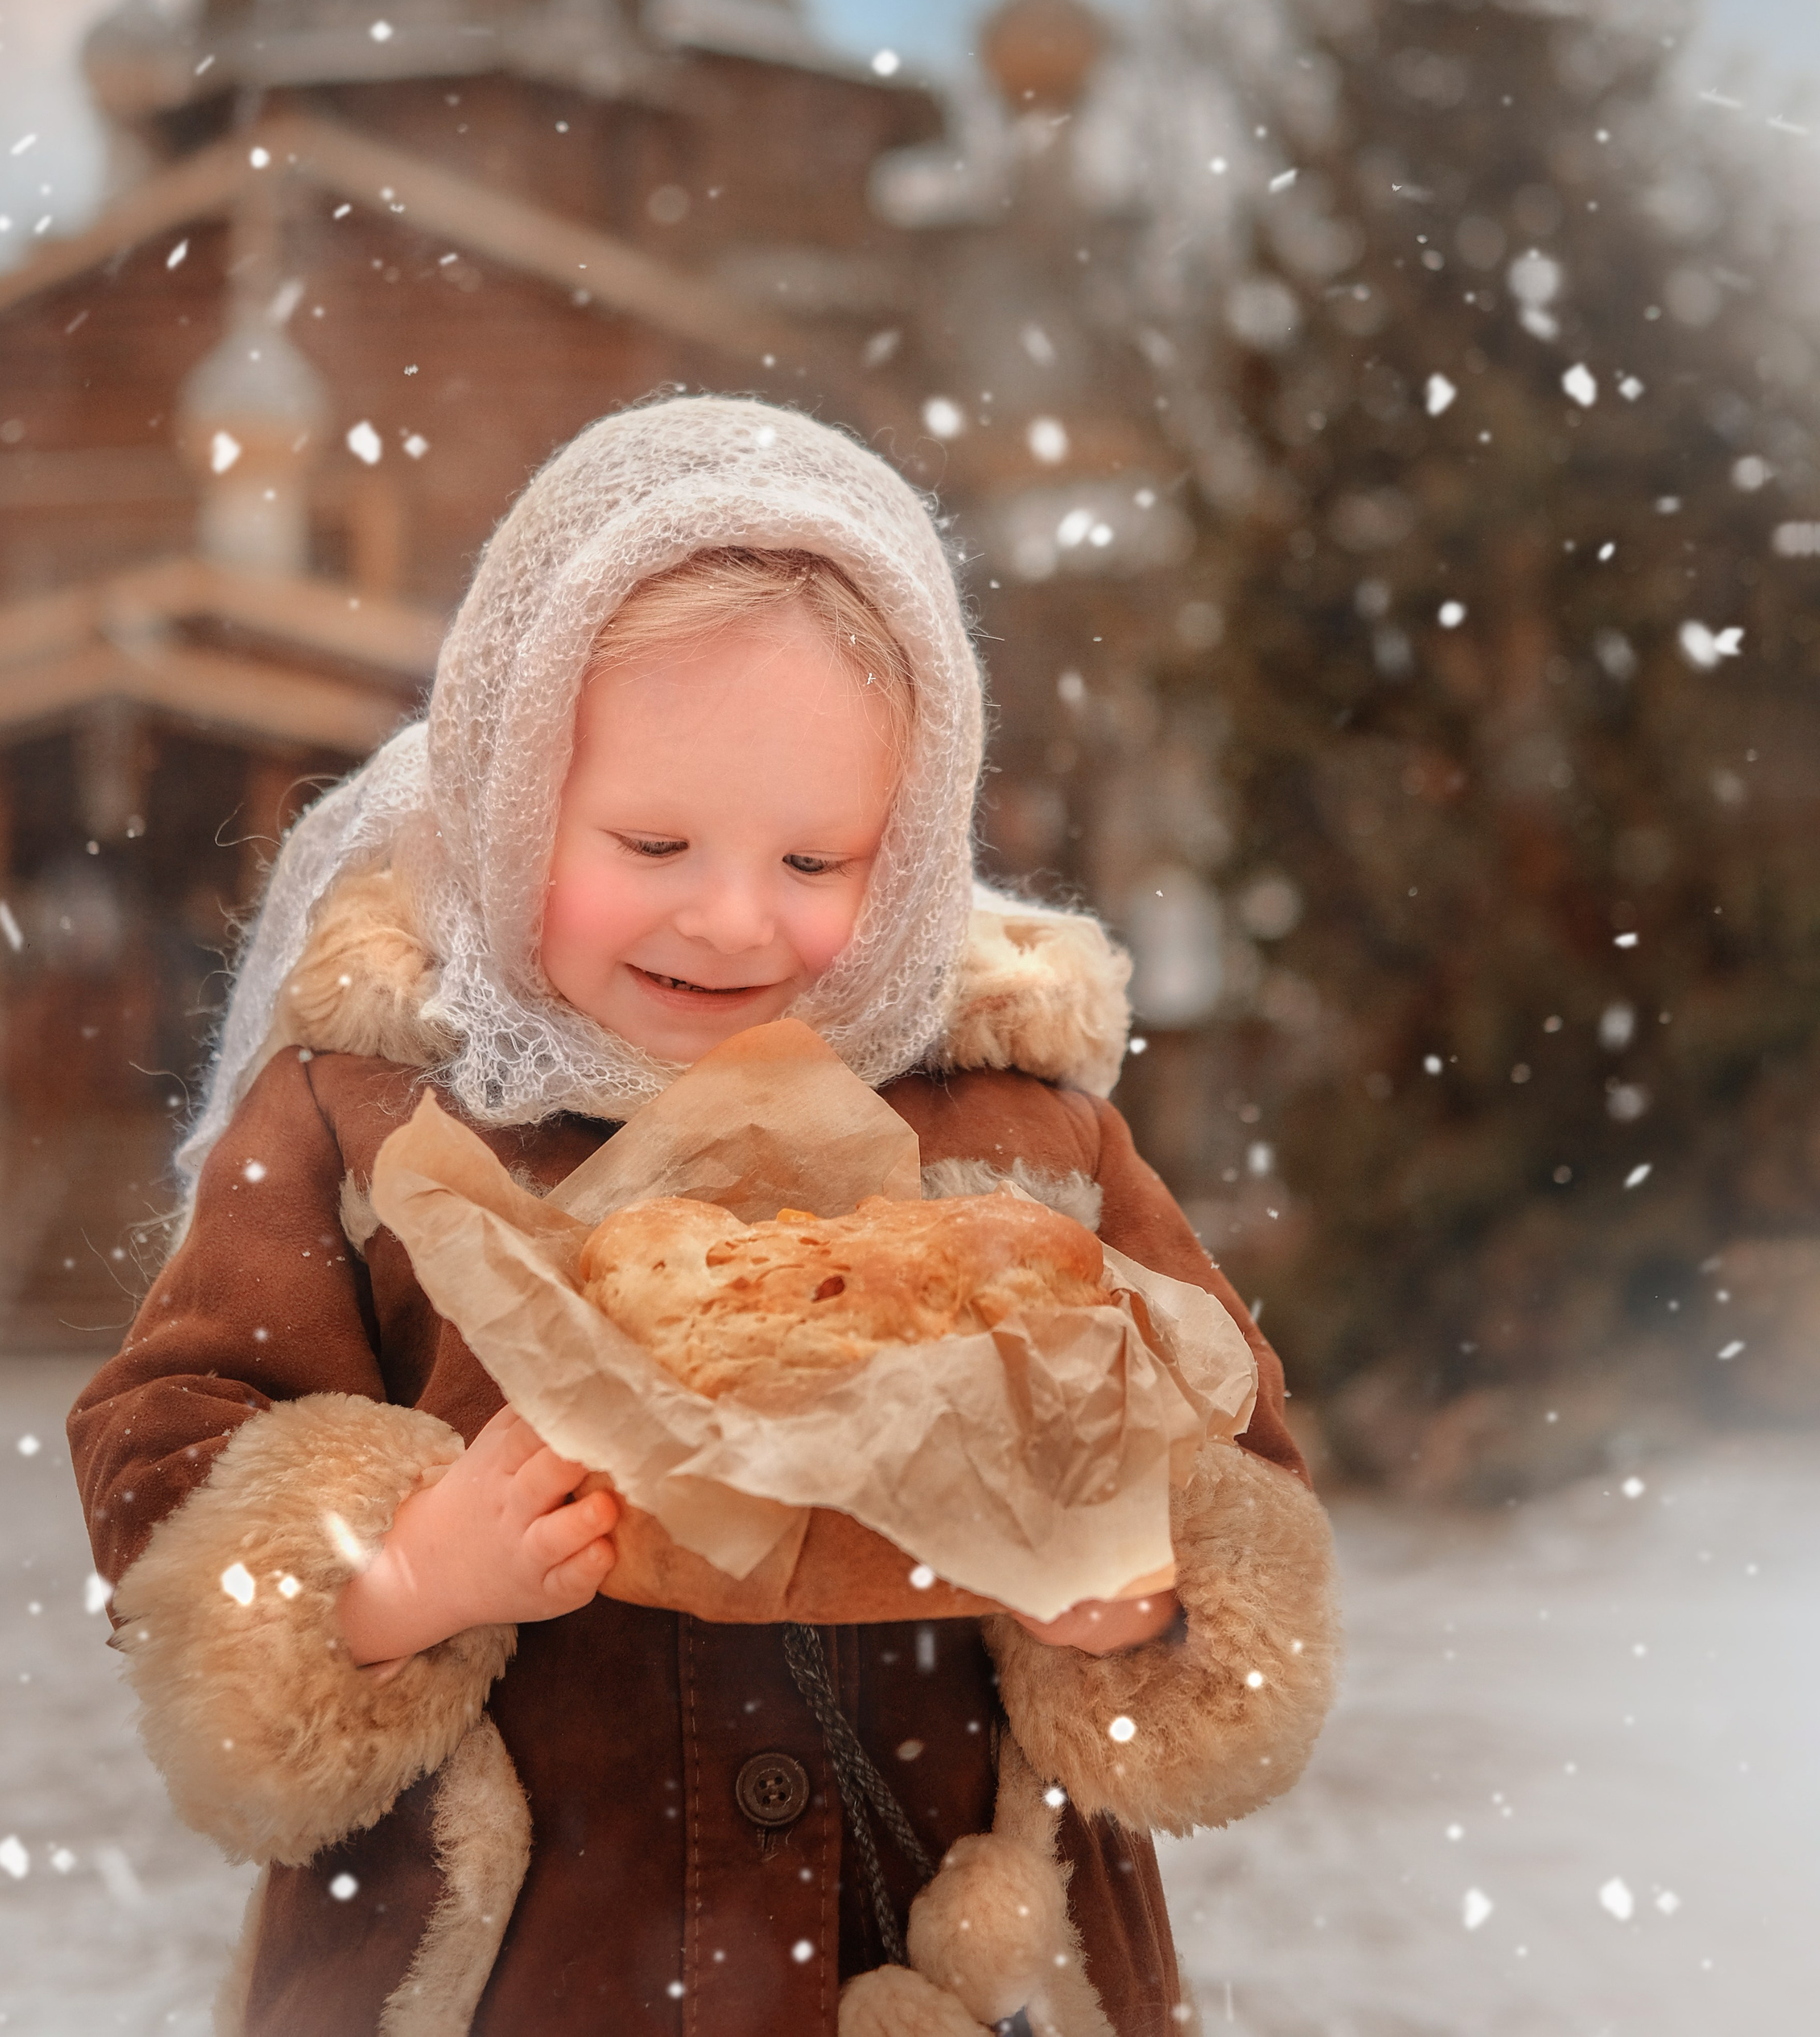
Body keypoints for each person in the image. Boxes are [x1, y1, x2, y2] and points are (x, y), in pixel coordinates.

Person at [68, 397, 1338, 2037]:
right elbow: (167, 1440)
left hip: (956, 1946)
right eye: (654, 841)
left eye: (819, 859)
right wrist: (393, 1575)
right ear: (510, 795)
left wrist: (1142, 1599)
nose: (734, 917)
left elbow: (1238, 1460)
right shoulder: (371, 1120)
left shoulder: (1024, 1133)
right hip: (525, 1974)